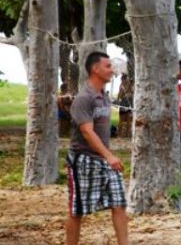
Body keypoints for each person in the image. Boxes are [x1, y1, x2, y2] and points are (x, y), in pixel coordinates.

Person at [66, 52, 128, 245]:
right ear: (95, 69)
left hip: (104, 160)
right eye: (108, 66)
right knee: (77, 211)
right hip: (83, 160)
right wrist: (109, 156)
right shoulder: (84, 98)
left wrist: (108, 157)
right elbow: (87, 132)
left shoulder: (104, 97)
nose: (112, 70)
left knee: (119, 204)